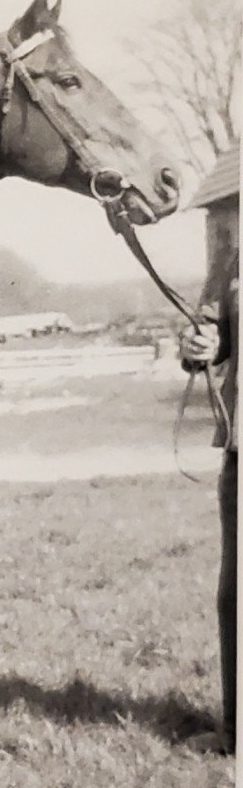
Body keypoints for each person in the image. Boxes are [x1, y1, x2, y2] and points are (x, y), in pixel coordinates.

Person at [179, 266, 237, 756]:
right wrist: (201, 346)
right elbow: (215, 333)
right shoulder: (235, 260)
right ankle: (236, 732)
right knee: (235, 595)